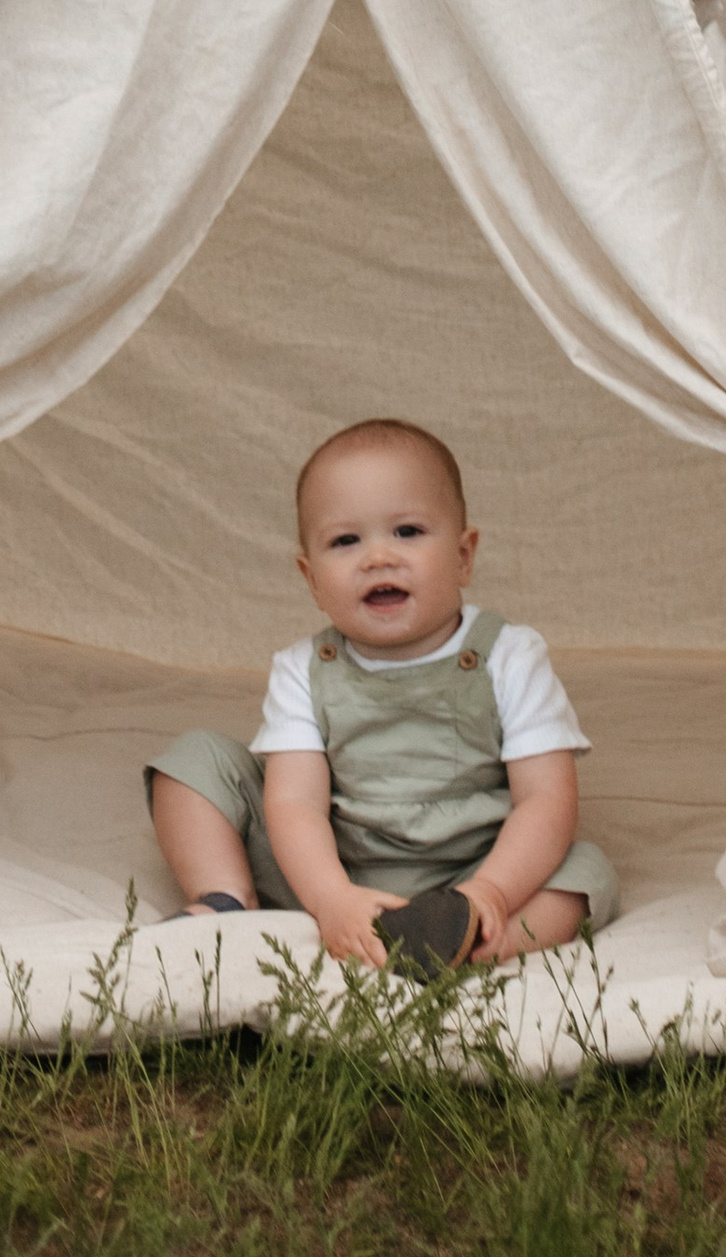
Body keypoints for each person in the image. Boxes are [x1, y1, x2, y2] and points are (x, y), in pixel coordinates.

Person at [144, 416, 619, 972]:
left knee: (584, 871)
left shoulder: (510, 656)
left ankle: (475, 943)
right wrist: (330, 899)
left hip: (472, 872)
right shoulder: (303, 668)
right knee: (194, 761)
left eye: (408, 532)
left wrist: (493, 890)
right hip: (331, 870)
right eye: (345, 541)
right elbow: (294, 803)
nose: (378, 558)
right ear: (311, 579)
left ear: (464, 556)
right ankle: (226, 897)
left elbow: (546, 798)